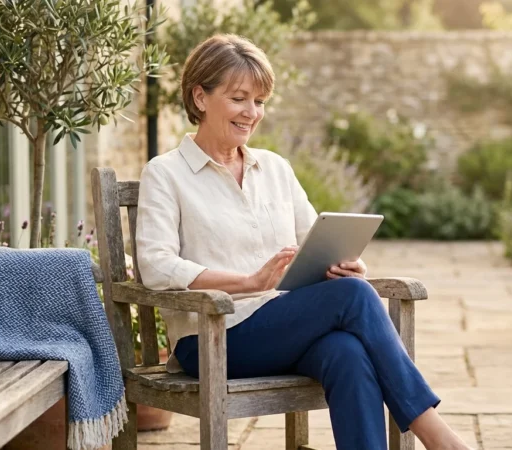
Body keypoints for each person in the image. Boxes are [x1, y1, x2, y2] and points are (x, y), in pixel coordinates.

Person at [135, 34, 472, 450]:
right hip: (212, 338)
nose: (252, 113)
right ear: (200, 97)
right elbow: (154, 264)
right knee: (353, 297)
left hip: (283, 326)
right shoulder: (166, 174)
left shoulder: (275, 168)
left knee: (347, 351)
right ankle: (438, 436)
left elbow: (314, 240)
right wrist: (248, 282)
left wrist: (344, 265)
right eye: (240, 98)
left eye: (259, 101)